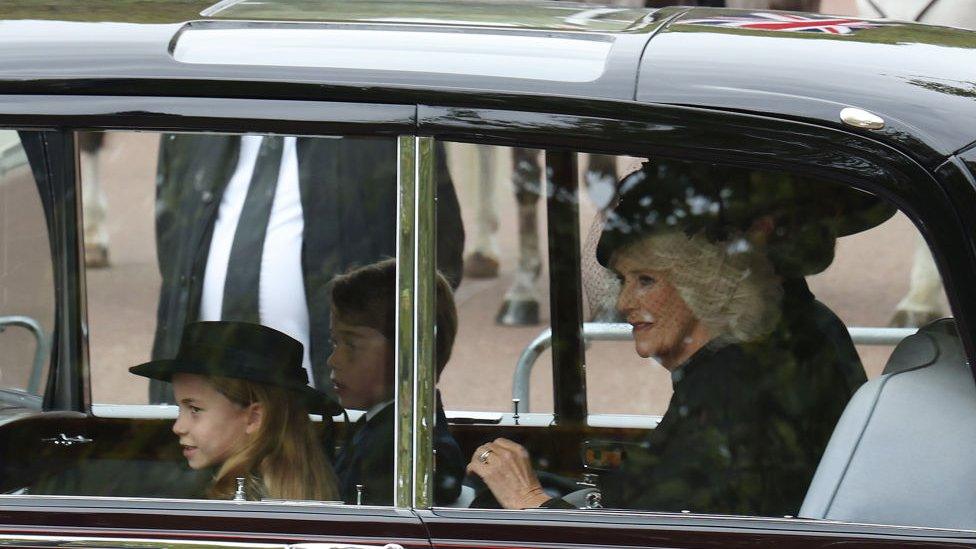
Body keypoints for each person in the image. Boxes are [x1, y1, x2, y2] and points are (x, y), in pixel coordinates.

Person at [468, 160, 891, 516]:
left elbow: (648, 543)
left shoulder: (731, 388)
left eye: (646, 280)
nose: (625, 301)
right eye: (623, 280)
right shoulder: (784, 338)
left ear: (703, 282)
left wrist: (529, 502)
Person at [150, 134, 464, 403]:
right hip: (206, 427)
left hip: (334, 428)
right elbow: (175, 261)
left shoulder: (379, 134)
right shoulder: (196, 129)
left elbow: (432, 268)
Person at [130, 320, 341, 501]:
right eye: (179, 409)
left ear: (254, 418)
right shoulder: (303, 484)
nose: (178, 427)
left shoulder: (233, 502)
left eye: (194, 409)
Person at [328, 258, 465, 505]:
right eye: (334, 343)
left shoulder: (400, 452)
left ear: (408, 353)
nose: (333, 360)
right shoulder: (377, 430)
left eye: (351, 344)